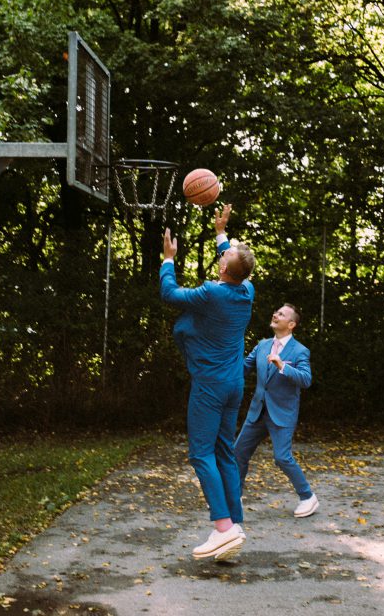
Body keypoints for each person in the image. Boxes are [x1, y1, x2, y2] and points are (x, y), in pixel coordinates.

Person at [160, 204, 256, 561]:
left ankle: (223, 527)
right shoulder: (247, 292)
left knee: (201, 454)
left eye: (226, 253)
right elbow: (233, 263)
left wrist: (168, 259)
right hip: (233, 384)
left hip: (211, 386)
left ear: (223, 269)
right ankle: (235, 530)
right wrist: (221, 234)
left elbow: (170, 295)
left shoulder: (213, 293)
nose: (225, 252)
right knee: (224, 454)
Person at [234, 303, 319, 518]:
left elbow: (306, 379)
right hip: (257, 411)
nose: (275, 314)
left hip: (282, 413)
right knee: (238, 452)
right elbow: (243, 368)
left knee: (282, 458)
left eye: (281, 314)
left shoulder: (300, 351)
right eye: (276, 311)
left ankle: (308, 497)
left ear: (291, 324)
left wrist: (283, 366)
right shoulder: (262, 345)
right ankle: (233, 499)